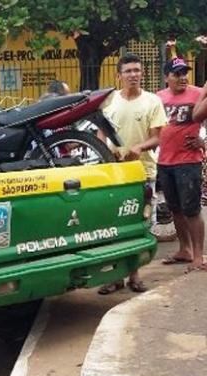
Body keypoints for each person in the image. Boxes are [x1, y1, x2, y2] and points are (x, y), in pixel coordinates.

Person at [98, 53, 167, 294]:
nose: (133, 75)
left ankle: (135, 276)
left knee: (140, 225)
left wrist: (139, 148)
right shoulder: (109, 101)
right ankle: (115, 277)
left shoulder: (152, 101)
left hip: (143, 172)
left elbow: (158, 136)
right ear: (119, 75)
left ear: (143, 74)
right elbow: (101, 135)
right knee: (113, 226)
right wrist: (105, 155)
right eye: (128, 71)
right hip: (114, 175)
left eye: (137, 70)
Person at [157, 57, 206, 272]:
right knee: (175, 209)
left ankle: (198, 256)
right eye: (177, 74)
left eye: (185, 73)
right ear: (166, 77)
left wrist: (204, 142)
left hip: (188, 162)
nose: (182, 77)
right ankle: (184, 249)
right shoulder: (158, 98)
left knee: (192, 210)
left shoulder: (197, 94)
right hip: (165, 162)